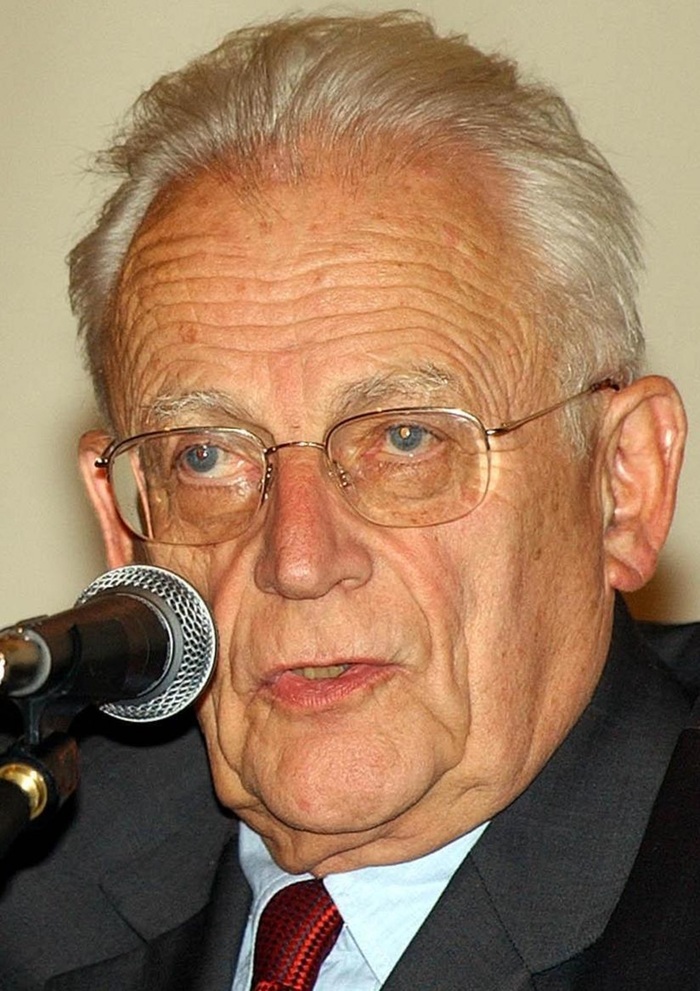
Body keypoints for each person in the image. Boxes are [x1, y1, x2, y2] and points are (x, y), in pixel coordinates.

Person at [0, 10, 696, 990]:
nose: (297, 556)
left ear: (622, 483)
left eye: (405, 438)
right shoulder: (31, 868)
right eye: (205, 454)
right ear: (127, 527)